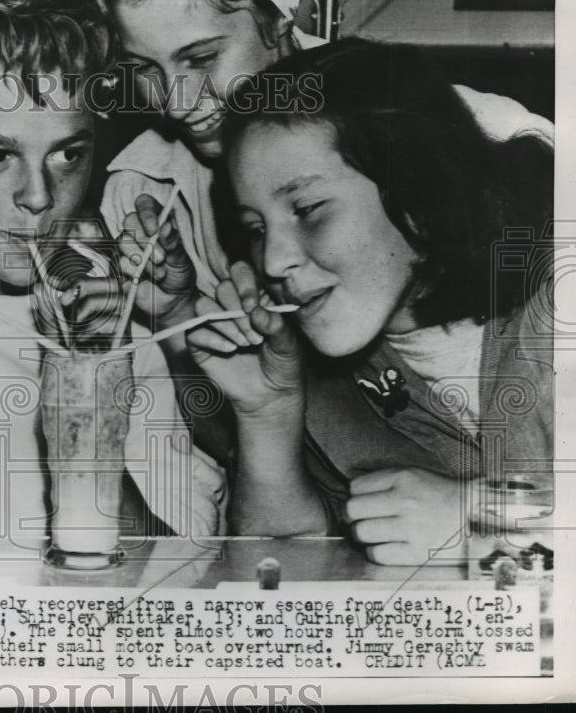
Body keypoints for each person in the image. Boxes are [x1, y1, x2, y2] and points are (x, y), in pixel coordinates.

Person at [186, 38, 553, 564]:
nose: (273, 261)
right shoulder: (331, 368)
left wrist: (481, 523)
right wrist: (268, 412)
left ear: (420, 191)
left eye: (308, 209)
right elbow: (282, 563)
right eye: (255, 229)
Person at [82, 0, 555, 335]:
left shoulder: (488, 137)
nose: (175, 103)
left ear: (278, 20)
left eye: (203, 58)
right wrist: (176, 317)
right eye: (143, 68)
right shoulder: (140, 191)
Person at [0, 0, 226, 542]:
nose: (38, 197)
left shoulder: (116, 319)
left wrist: (87, 412)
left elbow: (177, 565)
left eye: (68, 154)